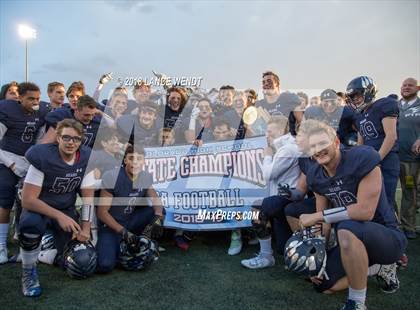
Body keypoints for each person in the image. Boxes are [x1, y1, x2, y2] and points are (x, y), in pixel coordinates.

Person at [300, 123, 406, 310]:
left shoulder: (362, 157)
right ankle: (380, 268)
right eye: (313, 146)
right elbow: (322, 224)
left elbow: (365, 211)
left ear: (336, 142)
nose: (318, 150)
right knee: (323, 285)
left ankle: (356, 302)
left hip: (386, 237)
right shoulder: (315, 175)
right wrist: (319, 261)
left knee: (347, 227)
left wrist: (319, 215)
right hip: (350, 240)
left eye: (322, 143)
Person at [18, 119, 95, 296]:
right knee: (31, 224)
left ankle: (44, 251)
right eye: (66, 137)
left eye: (76, 139)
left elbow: (88, 199)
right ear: (58, 138)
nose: (71, 142)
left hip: (66, 209)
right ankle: (28, 272)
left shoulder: (86, 158)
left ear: (81, 140)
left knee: (79, 262)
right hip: (39, 209)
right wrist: (59, 216)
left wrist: (85, 228)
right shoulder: (42, 156)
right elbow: (28, 200)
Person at [241, 115, 300, 267]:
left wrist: (267, 156)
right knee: (283, 248)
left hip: (289, 199)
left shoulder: (288, 149)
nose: (267, 135)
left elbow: (268, 175)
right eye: (267, 132)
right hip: (282, 199)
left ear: (283, 131)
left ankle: (266, 256)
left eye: (271, 132)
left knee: (256, 209)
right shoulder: (281, 147)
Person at [0, 82, 48, 264]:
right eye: (30, 99)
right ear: (19, 98)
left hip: (28, 161)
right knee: (4, 203)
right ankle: (1, 246)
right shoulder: (7, 110)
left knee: (26, 203)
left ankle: (24, 243)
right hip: (6, 159)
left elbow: (39, 138)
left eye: (38, 98)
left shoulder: (41, 111)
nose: (35, 102)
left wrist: (32, 158)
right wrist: (11, 163)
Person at [96, 144, 164, 273]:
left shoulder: (145, 176)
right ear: (125, 160)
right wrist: (123, 232)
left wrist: (159, 216)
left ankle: (144, 240)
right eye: (132, 158)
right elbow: (102, 213)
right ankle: (122, 247)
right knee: (105, 265)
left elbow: (155, 199)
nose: (135, 162)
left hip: (130, 220)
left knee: (157, 212)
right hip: (112, 226)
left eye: (139, 159)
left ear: (144, 161)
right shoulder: (112, 177)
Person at [346, 76, 399, 207]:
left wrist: (377, 158)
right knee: (372, 200)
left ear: (368, 91)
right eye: (352, 97)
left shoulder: (384, 104)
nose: (355, 99)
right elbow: (360, 143)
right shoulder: (359, 115)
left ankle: (392, 226)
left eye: (357, 95)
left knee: (387, 199)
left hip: (386, 159)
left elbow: (391, 136)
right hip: (371, 162)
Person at [398, 77, 420, 240]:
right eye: (404, 85)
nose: (406, 87)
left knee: (409, 191)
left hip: (411, 160)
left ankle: (408, 225)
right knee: (387, 191)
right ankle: (392, 223)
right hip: (391, 157)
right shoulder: (394, 106)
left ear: (417, 88)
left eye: (410, 85)